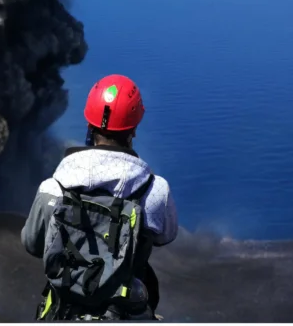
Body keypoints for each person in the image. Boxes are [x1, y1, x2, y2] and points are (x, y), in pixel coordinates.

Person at [21, 74, 178, 321]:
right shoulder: (154, 189)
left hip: (64, 313)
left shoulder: (53, 187)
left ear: (89, 123)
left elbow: (32, 243)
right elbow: (165, 235)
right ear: (133, 128)